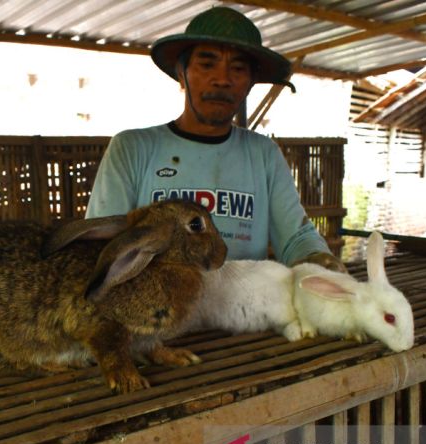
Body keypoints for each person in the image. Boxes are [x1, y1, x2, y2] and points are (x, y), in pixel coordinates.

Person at [86, 6, 345, 271]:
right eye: (207, 64)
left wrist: (317, 260)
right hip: (153, 309)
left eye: (238, 68)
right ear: (181, 73)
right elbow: (98, 246)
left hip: (244, 309)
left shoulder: (263, 154)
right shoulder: (133, 149)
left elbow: (296, 238)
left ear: (251, 81)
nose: (222, 79)